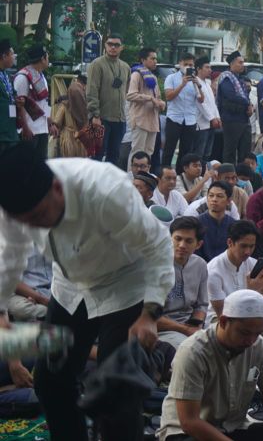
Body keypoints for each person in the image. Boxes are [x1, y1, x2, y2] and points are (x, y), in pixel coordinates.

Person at [0, 143, 174, 440]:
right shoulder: (12, 210)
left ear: (56, 187)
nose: (34, 225)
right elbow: (9, 258)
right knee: (49, 381)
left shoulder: (105, 190)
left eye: (39, 215)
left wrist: (150, 313)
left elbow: (158, 245)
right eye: (26, 221)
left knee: (116, 388)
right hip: (68, 287)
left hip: (123, 285)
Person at [158, 289, 263, 441]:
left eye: (257, 333)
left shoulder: (258, 345)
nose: (251, 340)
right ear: (223, 322)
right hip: (189, 433)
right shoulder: (193, 352)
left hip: (233, 427)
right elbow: (189, 422)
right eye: (244, 333)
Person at [157, 216, 209, 351]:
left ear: (198, 244)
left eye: (188, 241)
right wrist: (185, 330)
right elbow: (148, 316)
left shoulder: (200, 265)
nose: (182, 245)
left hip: (190, 327)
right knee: (193, 350)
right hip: (162, 330)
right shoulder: (154, 265)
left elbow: (201, 305)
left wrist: (196, 325)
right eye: (178, 239)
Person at [86, 34, 130, 164]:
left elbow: (125, 90)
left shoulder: (125, 67)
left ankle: (110, 184)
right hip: (101, 118)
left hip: (120, 119)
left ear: (121, 47)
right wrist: (95, 115)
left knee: (114, 156)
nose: (113, 47)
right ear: (105, 46)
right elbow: (91, 90)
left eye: (116, 45)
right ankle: (94, 184)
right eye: (110, 44)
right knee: (97, 156)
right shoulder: (97, 64)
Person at [14, 45, 55, 160]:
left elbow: (44, 102)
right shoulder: (22, 78)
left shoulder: (41, 76)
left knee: (41, 165)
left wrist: (50, 123)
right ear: (42, 59)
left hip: (42, 129)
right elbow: (19, 105)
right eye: (47, 57)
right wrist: (24, 127)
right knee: (27, 166)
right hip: (29, 130)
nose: (48, 60)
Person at [126, 47, 164, 165]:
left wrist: (161, 103)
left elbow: (158, 98)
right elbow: (130, 95)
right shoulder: (136, 75)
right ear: (143, 60)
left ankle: (144, 180)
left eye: (156, 59)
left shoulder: (153, 77)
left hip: (153, 120)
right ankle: (132, 180)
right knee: (137, 153)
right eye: (152, 58)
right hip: (140, 119)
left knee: (149, 153)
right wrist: (150, 99)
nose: (155, 61)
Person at [218, 51, 253, 164]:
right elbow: (231, 95)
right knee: (230, 151)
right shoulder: (226, 77)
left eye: (243, 62)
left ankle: (243, 176)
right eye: (240, 62)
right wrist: (247, 103)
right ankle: (229, 176)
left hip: (244, 119)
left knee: (245, 151)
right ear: (232, 64)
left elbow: (245, 96)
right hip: (232, 119)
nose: (243, 65)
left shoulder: (240, 79)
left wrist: (250, 105)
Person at [196, 181, 237, 262]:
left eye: (219, 196)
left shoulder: (234, 225)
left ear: (228, 201)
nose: (214, 199)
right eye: (211, 195)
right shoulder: (197, 223)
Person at [52, 74, 90, 158]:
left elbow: (56, 122)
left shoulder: (65, 105)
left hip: (73, 139)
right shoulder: (85, 106)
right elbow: (56, 123)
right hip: (74, 140)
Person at [192, 56, 221, 163]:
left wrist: (217, 117)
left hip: (211, 123)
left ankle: (204, 174)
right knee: (199, 153)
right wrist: (211, 118)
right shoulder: (195, 82)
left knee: (207, 153)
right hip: (201, 123)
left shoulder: (208, 83)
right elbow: (201, 104)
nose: (210, 70)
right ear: (198, 69)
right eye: (207, 67)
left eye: (210, 67)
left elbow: (213, 103)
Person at [0, 39, 19, 154]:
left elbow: (12, 94)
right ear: (4, 56)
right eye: (12, 54)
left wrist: (18, 100)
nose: (14, 57)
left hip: (10, 131)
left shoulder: (6, 75)